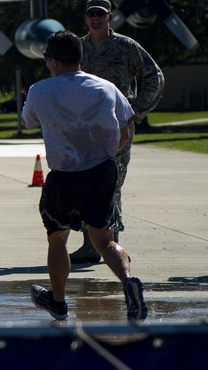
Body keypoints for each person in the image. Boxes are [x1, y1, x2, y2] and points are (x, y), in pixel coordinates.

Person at [22, 30, 146, 321]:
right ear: (80, 56)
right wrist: (103, 154)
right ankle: (129, 283)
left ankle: (58, 300)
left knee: (58, 239)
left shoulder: (40, 90)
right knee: (104, 240)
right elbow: (125, 130)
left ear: (51, 61)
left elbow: (28, 122)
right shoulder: (107, 87)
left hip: (64, 175)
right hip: (101, 171)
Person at [70, 0, 164, 264]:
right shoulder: (77, 48)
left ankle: (110, 244)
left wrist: (136, 110)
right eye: (91, 15)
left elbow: (154, 77)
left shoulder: (125, 47)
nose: (95, 19)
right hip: (84, 129)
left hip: (117, 128)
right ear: (86, 19)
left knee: (112, 184)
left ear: (110, 18)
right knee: (85, 184)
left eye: (101, 14)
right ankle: (92, 244)